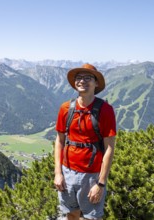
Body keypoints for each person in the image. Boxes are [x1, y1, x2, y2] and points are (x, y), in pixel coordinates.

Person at [54, 63, 116, 220]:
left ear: (96, 83)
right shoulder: (66, 108)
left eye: (87, 77)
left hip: (91, 175)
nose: (81, 81)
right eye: (78, 78)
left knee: (92, 217)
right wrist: (58, 173)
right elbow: (60, 141)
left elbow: (109, 148)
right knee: (71, 213)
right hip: (67, 172)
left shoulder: (105, 110)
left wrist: (100, 184)